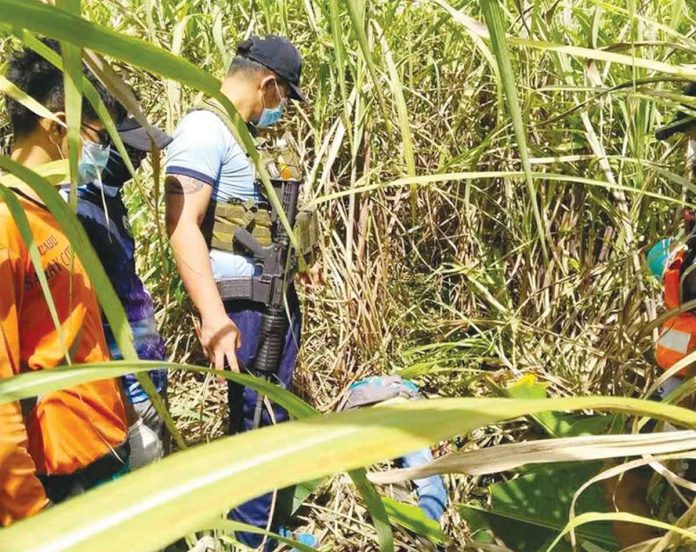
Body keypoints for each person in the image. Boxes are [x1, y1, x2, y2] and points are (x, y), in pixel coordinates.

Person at [164, 35, 319, 546]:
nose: (280, 110)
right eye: (281, 98)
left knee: (266, 421)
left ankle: (265, 529)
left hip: (270, 297)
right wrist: (213, 317)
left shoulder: (241, 133)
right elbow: (183, 225)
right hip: (244, 306)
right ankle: (253, 540)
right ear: (268, 84)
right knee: (258, 425)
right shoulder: (205, 129)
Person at [0, 39, 129, 525]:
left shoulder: (55, 207)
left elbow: (78, 330)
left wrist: (126, 415)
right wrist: (30, 515)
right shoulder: (7, 225)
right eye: (97, 136)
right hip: (59, 478)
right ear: (57, 128)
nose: (103, 151)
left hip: (103, 441)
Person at [67, 111, 173, 467]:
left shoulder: (107, 200)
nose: (138, 163)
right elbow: (88, 327)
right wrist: (129, 422)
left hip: (145, 377)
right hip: (125, 392)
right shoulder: (78, 212)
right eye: (131, 152)